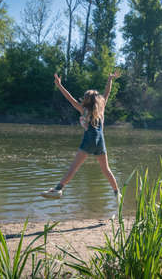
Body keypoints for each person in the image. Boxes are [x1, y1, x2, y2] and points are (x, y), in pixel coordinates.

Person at [40, 71, 121, 201]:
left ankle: (58, 189)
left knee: (74, 167)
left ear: (85, 100)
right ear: (97, 100)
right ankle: (117, 193)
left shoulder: (83, 110)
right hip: (100, 141)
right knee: (106, 169)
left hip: (89, 139)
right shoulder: (101, 108)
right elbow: (107, 92)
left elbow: (69, 97)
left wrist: (59, 85)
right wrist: (110, 79)